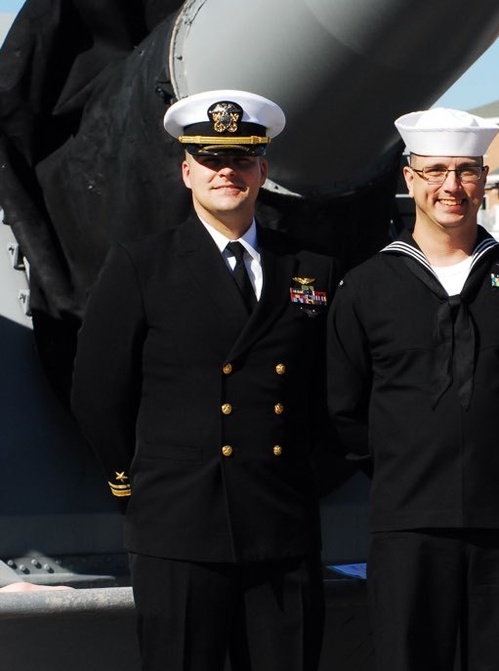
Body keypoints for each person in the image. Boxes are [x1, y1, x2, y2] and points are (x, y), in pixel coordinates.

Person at [71, 89, 341, 671]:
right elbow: (97, 392)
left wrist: (304, 477)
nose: (228, 171)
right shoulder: (141, 264)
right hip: (178, 524)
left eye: (242, 160)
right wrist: (132, 483)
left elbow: (333, 391)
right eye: (212, 160)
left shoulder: (311, 270)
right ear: (187, 170)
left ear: (263, 170)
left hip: (279, 522)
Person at [326, 107, 499, 671]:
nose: (450, 187)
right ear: (409, 179)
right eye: (434, 172)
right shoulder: (365, 287)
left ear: (485, 180)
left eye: (465, 171)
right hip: (407, 523)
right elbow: (342, 408)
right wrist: (406, 465)